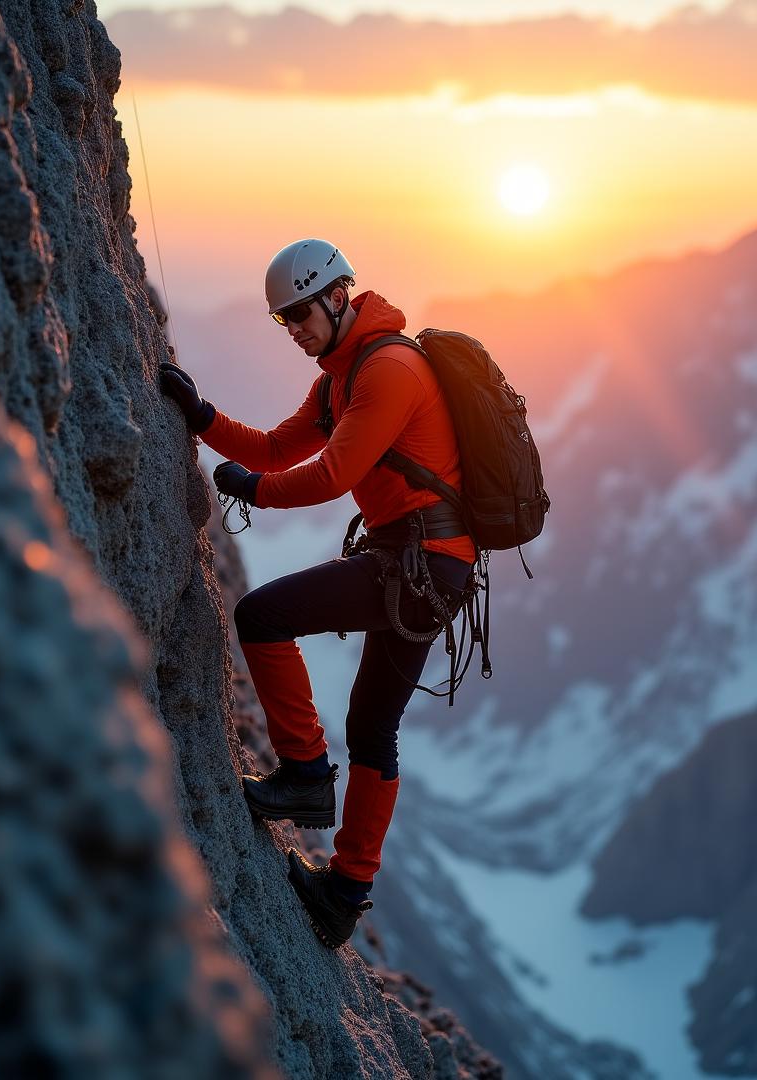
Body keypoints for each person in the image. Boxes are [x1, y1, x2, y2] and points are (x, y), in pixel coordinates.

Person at [159, 239, 475, 949]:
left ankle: (304, 771)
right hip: (428, 565)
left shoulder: (388, 369)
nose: (293, 329)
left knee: (262, 615)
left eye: (299, 313)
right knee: (372, 730)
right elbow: (276, 448)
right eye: (282, 320)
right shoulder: (341, 376)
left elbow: (331, 474)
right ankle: (345, 892)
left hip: (423, 563)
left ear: (337, 297)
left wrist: (254, 493)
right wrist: (202, 415)